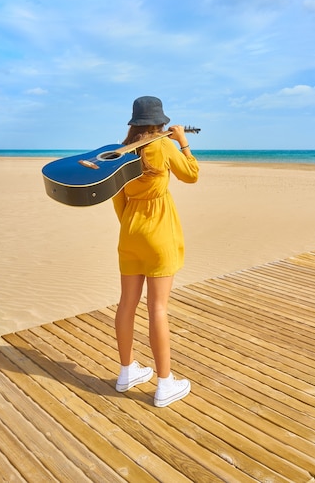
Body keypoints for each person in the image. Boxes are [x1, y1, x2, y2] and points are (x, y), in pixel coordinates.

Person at [112, 96, 199, 407]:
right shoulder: (162, 146)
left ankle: (126, 372)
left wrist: (132, 226)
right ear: (160, 123)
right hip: (159, 233)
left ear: (134, 123)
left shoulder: (122, 152)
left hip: (130, 233)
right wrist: (183, 142)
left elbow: (117, 199)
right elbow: (191, 174)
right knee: (157, 308)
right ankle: (165, 383)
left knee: (127, 304)